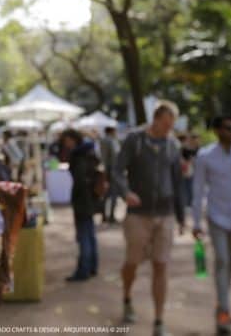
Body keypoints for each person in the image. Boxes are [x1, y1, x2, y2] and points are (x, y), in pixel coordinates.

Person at [112, 101, 185, 336]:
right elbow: (116, 171)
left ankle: (159, 321)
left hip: (165, 214)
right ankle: (127, 298)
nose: (168, 129)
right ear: (155, 120)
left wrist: (182, 216)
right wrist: (125, 192)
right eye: (165, 124)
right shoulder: (135, 140)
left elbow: (177, 182)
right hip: (138, 214)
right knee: (132, 262)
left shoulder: (173, 145)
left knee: (161, 264)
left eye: (171, 125)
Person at [192, 116, 231, 335]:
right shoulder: (205, 156)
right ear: (217, 131)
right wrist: (196, 222)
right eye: (227, 128)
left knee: (230, 264)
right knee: (222, 260)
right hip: (216, 217)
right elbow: (197, 191)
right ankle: (224, 312)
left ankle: (223, 303)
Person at [61, 129, 102, 282]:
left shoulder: (78, 156)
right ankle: (92, 266)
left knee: (84, 235)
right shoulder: (90, 152)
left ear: (73, 139)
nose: (65, 144)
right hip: (90, 199)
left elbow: (79, 181)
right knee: (90, 234)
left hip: (83, 201)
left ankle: (84, 269)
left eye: (67, 141)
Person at [100, 126, 121, 223]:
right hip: (112, 170)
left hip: (107, 170)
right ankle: (111, 216)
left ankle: (104, 215)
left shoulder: (103, 140)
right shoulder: (111, 141)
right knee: (113, 194)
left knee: (106, 194)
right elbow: (114, 156)